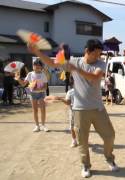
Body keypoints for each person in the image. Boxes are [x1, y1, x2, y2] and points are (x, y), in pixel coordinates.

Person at [27, 39, 118, 178]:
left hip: (98, 108)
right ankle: (85, 165)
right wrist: (37, 52)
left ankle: (109, 159)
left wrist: (77, 69)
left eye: (100, 54)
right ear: (87, 51)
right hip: (80, 109)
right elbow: (52, 63)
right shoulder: (75, 62)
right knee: (82, 140)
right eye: (96, 53)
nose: (98, 56)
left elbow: (94, 77)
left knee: (110, 135)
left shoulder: (100, 63)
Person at [15, 59, 49, 132]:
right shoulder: (30, 74)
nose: (36, 66)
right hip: (33, 94)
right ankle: (37, 126)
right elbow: (24, 84)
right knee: (35, 110)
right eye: (35, 65)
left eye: (38, 65)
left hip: (41, 94)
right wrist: (18, 79)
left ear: (41, 67)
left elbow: (46, 86)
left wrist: (39, 89)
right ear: (33, 66)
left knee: (43, 110)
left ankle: (43, 125)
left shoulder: (43, 74)